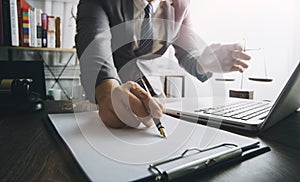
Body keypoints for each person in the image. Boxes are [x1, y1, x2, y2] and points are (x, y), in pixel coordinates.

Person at [75, 0, 251, 129]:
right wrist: (108, 92)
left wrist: (205, 63)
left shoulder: (180, 6)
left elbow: (188, 55)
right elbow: (95, 47)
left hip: (157, 97)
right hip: (110, 99)